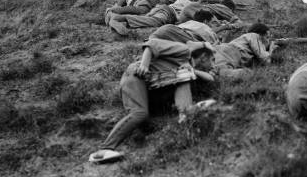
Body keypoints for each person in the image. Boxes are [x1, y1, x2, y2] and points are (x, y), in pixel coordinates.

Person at [88, 39, 216, 163]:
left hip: (152, 86)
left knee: (185, 74)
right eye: (212, 60)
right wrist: (144, 65)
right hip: (136, 75)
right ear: (204, 57)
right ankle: (103, 150)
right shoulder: (184, 50)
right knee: (139, 113)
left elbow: (211, 78)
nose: (213, 65)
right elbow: (151, 44)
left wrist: (192, 69)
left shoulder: (189, 66)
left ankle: (186, 112)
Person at [213, 23, 278, 78]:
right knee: (224, 71)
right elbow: (266, 60)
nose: (268, 41)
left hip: (221, 50)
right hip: (230, 51)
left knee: (216, 69)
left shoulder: (246, 42)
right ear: (260, 35)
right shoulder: (254, 36)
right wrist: (271, 50)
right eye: (267, 37)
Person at [150, 10, 221, 45]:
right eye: (212, 22)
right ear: (205, 21)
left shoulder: (189, 23)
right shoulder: (204, 27)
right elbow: (215, 45)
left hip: (165, 28)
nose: (213, 26)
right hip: (175, 34)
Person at [108, 4, 177, 35]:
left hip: (160, 9)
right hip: (163, 13)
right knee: (150, 20)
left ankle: (120, 19)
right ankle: (118, 18)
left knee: (143, 18)